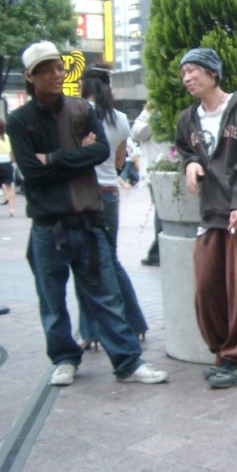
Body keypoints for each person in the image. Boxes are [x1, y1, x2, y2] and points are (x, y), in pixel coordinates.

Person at [7, 41, 167, 386]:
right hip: (48, 225)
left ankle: (127, 361)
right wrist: (71, 157)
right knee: (52, 300)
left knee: (106, 294)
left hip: (88, 217)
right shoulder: (20, 120)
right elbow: (31, 174)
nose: (54, 74)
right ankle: (64, 358)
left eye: (58, 68)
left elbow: (98, 153)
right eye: (45, 69)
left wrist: (51, 158)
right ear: (30, 77)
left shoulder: (80, 109)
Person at [175, 47, 237, 390]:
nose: (187, 78)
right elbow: (184, 148)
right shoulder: (188, 119)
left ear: (213, 73)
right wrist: (189, 163)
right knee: (207, 288)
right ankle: (224, 354)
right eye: (183, 73)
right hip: (210, 213)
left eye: (193, 71)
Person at [75, 65, 149, 350]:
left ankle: (89, 331)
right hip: (109, 193)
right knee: (111, 260)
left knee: (84, 264)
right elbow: (120, 162)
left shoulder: (78, 114)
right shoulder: (119, 118)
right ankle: (136, 321)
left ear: (85, 87)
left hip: (83, 193)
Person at [131, 102, 171, 266]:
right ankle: (157, 251)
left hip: (160, 169)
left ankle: (157, 252)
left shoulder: (156, 115)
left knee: (161, 212)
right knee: (161, 210)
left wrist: (147, 113)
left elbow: (137, 132)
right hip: (160, 169)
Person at [0, 118, 16, 217]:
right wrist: (12, 162)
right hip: (7, 163)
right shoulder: (8, 138)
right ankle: (11, 209)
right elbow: (12, 152)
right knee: (9, 187)